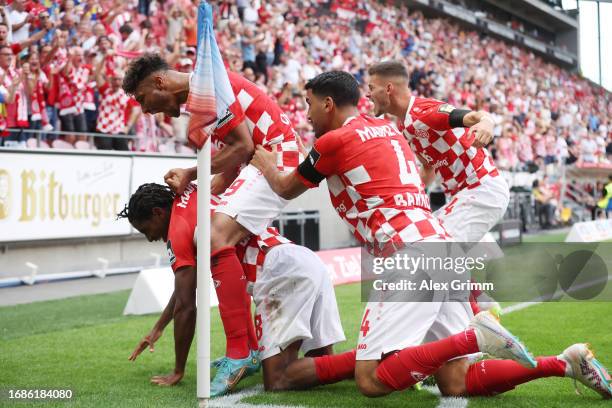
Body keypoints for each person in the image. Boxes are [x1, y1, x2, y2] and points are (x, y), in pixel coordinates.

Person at [250, 71, 612, 399]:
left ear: (328, 103)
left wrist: (264, 161)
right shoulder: (389, 130)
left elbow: (285, 188)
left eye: (309, 105)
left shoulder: (334, 141)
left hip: (407, 252)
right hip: (441, 246)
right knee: (456, 382)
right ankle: (565, 363)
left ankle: (476, 335)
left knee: (370, 379)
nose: (308, 114)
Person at [122, 53, 303, 396]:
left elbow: (244, 147)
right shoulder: (200, 98)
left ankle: (239, 351)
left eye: (144, 100)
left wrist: (191, 173)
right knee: (219, 236)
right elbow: (229, 169)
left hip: (275, 157)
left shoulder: (208, 89)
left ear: (159, 82)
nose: (146, 111)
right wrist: (195, 184)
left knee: (212, 235)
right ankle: (249, 348)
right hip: (262, 163)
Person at [120, 183, 348, 392]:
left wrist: (178, 370)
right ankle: (368, 362)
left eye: (145, 229)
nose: (149, 238)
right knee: (320, 357)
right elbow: (183, 291)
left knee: (278, 379)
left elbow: (186, 306)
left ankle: (368, 358)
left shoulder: (176, 229)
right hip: (303, 259)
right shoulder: (195, 196)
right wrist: (158, 328)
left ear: (157, 213)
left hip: (279, 273)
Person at [366, 61, 509, 313]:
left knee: (432, 256)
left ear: (388, 88)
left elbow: (476, 116)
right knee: (425, 244)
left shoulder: (424, 112)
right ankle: (482, 306)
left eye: (371, 87)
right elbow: (429, 168)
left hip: (480, 189)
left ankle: (474, 318)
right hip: (463, 197)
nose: (367, 94)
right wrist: (413, 202)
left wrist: (486, 122)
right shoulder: (403, 126)